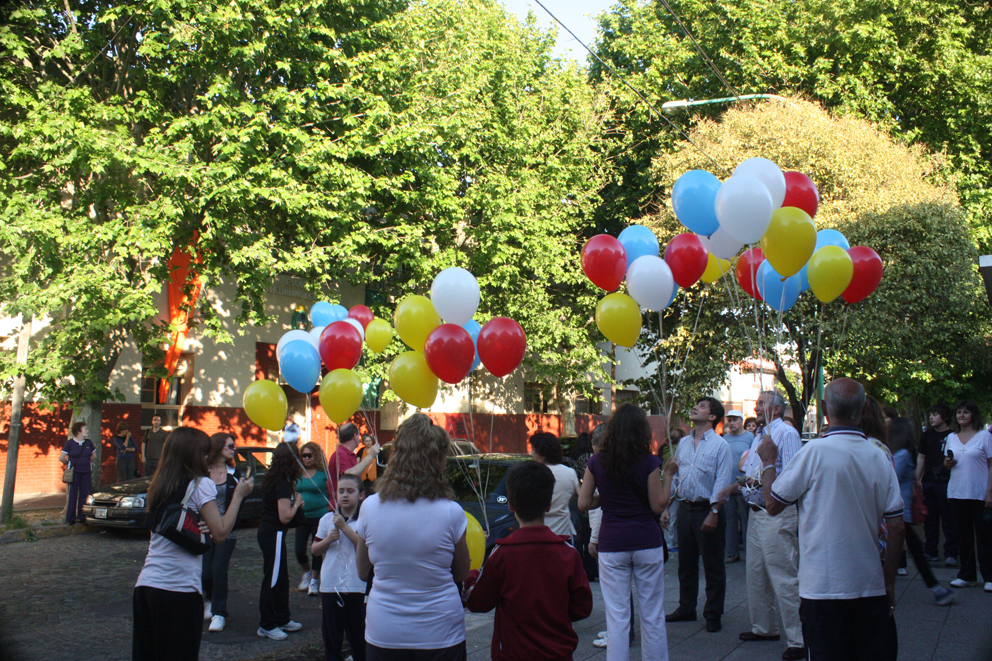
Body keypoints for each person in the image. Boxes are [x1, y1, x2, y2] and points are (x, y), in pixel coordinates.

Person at [757, 378, 904, 661]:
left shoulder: (812, 452)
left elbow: (773, 504)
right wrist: (889, 583)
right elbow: (896, 526)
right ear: (863, 409)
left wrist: (768, 462)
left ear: (824, 408)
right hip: (869, 583)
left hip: (822, 588)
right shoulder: (878, 455)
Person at [355, 413, 471, 660]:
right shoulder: (451, 512)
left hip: (385, 631)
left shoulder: (369, 507)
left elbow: (363, 571)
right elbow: (461, 574)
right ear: (437, 460)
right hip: (440, 633)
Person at [133, 427, 252, 661]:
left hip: (146, 586)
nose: (207, 458)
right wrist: (238, 496)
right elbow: (220, 533)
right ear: (193, 454)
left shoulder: (158, 486)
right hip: (179, 589)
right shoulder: (201, 484)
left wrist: (199, 524)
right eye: (204, 452)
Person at [465, 460, 593, 661]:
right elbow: (582, 607)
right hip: (558, 654)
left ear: (511, 505)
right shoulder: (567, 553)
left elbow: (478, 601)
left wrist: (471, 574)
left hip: (512, 654)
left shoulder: (502, 554)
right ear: (549, 504)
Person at [579, 403, 678, 660]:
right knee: (652, 614)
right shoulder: (649, 461)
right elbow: (658, 505)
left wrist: (608, 500)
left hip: (612, 543)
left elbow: (583, 503)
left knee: (617, 616)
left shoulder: (596, 461)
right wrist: (668, 475)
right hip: (646, 540)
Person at [719, 391, 804, 660]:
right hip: (756, 512)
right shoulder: (759, 435)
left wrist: (760, 483)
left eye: (762, 403)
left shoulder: (786, 434)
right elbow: (753, 473)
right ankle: (764, 627)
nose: (756, 407)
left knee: (783, 575)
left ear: (776, 409)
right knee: (755, 574)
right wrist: (740, 485)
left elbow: (791, 474)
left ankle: (799, 639)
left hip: (776, 513)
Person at [666, 397, 733, 633]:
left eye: (702, 406)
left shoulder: (720, 445)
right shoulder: (683, 443)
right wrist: (667, 506)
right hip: (685, 509)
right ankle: (686, 608)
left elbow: (723, 481)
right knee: (686, 563)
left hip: (707, 509)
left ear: (713, 416)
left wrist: (715, 511)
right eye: (696, 405)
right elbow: (676, 478)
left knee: (713, 565)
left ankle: (713, 613)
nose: (695, 408)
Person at [889, 418, 956, 605]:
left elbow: (891, 478)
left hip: (897, 511)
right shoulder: (904, 453)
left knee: (913, 550)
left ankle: (936, 589)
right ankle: (937, 588)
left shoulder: (900, 454)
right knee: (915, 549)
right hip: (901, 510)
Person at [312, 474, 368, 661]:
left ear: (361, 495)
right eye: (341, 491)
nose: (344, 495)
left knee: (358, 638)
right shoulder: (327, 519)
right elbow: (315, 550)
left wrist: (344, 527)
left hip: (356, 587)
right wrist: (329, 538)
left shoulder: (364, 521)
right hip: (331, 586)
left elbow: (364, 547)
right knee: (332, 639)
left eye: (350, 491)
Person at [257, 443, 306, 641]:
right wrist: (298, 502)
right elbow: (285, 516)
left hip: (272, 533)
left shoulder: (278, 479)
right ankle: (267, 624)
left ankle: (282, 617)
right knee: (273, 578)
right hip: (273, 533)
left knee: (282, 577)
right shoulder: (283, 483)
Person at [944, 400, 992, 591]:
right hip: (957, 491)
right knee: (963, 536)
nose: (961, 415)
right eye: (958, 412)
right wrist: (948, 463)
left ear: (973, 415)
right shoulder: (951, 437)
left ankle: (989, 576)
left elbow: (991, 464)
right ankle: (967, 575)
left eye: (965, 412)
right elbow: (946, 464)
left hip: (979, 492)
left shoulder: (984, 436)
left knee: (985, 537)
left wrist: (990, 492)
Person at [202, 432, 243, 632]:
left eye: (233, 446)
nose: (233, 449)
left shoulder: (235, 474)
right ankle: (208, 600)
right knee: (205, 572)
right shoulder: (203, 471)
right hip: (205, 529)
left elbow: (238, 503)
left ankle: (219, 613)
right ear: (218, 446)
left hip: (227, 530)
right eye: (229, 445)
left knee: (219, 570)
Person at [916, 402, 958, 565]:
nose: (931, 417)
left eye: (935, 414)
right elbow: (921, 457)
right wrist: (918, 478)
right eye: (930, 414)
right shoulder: (927, 435)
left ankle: (951, 553)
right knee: (930, 519)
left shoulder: (953, 435)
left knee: (949, 519)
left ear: (945, 417)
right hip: (929, 482)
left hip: (948, 483)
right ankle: (931, 550)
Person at [529, 432, 580, 539]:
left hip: (537, 535)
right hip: (563, 533)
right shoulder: (570, 472)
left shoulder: (530, 474)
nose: (530, 453)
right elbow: (571, 498)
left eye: (533, 449)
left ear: (541, 452)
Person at [296, 441, 330, 595]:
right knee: (299, 549)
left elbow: (331, 493)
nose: (306, 459)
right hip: (302, 516)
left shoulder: (323, 474)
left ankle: (315, 581)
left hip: (320, 516)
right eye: (303, 456)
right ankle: (307, 572)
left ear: (315, 456)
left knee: (316, 549)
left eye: (309, 455)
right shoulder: (297, 473)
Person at [721, 409, 753, 563]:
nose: (732, 423)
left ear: (741, 421)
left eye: (735, 420)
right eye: (730, 420)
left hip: (744, 485)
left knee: (746, 519)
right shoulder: (724, 439)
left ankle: (750, 553)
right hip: (728, 486)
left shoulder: (750, 437)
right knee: (730, 520)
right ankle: (731, 552)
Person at [329, 423, 380, 507]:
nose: (360, 439)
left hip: (349, 506)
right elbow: (349, 475)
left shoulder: (347, 453)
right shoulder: (341, 454)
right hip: (343, 508)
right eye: (359, 435)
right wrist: (371, 456)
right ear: (354, 436)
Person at [60, 421, 96, 525]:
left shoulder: (89, 443)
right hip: (74, 473)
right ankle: (70, 518)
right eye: (85, 429)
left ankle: (82, 517)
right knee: (73, 494)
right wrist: (69, 464)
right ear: (78, 432)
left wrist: (88, 462)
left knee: (84, 495)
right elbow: (62, 457)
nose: (87, 431)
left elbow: (94, 456)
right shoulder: (70, 443)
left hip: (86, 472)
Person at [660, 428, 683, 551]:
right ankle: (670, 543)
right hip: (673, 487)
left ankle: (671, 542)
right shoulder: (675, 454)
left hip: (668, 485)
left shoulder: (667, 451)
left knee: (671, 515)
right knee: (671, 515)